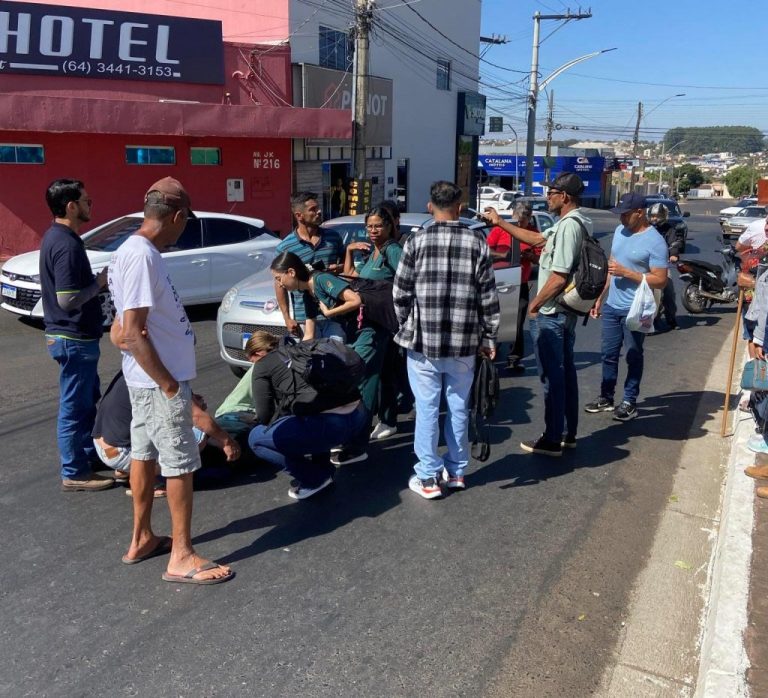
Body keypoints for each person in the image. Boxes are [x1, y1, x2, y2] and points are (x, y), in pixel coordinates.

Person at [109, 176, 233, 584]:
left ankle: (142, 537)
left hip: (141, 380)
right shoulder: (142, 256)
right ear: (177, 216)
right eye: (185, 222)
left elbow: (118, 329)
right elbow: (129, 332)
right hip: (158, 383)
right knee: (179, 463)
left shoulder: (127, 251)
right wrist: (170, 384)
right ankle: (181, 555)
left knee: (144, 456)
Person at [393, 180, 499, 499]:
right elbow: (488, 297)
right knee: (458, 407)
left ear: (430, 207)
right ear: (459, 206)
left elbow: (400, 293)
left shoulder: (416, 242)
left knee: (426, 408)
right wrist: (489, 337)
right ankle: (455, 471)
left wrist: (408, 325)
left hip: (423, 342)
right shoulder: (477, 242)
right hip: (464, 344)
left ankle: (427, 477)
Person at [483, 172, 593, 456]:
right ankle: (566, 433)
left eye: (552, 192)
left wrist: (534, 305)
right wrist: (501, 223)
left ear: (564, 197)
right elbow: (536, 239)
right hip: (560, 312)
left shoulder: (569, 226)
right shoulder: (570, 222)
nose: (548, 197)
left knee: (553, 379)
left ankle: (553, 438)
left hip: (552, 313)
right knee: (564, 375)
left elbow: (558, 276)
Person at [40, 178, 113, 492]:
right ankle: (74, 472)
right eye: (86, 201)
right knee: (74, 408)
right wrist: (100, 283)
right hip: (73, 339)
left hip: (73, 338)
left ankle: (86, 460)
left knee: (84, 403)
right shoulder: (66, 244)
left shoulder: (58, 237)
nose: (89, 205)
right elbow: (67, 299)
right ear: (71, 206)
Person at [246, 332, 368, 500]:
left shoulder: (263, 365)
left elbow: (264, 414)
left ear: (257, 354)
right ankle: (324, 470)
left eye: (250, 360)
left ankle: (314, 479)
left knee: (256, 439)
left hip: (330, 428)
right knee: (313, 411)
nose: (251, 364)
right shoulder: (303, 349)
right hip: (358, 418)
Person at [586, 193, 669, 422]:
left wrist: (629, 274)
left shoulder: (655, 241)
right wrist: (600, 299)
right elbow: (612, 269)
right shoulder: (619, 232)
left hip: (636, 309)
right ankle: (606, 397)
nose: (621, 219)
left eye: (625, 214)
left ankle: (630, 401)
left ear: (640, 213)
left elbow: (661, 279)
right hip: (613, 305)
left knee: (633, 355)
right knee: (608, 354)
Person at [92, 370, 242, 496]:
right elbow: (197, 417)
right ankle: (146, 482)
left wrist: (191, 401)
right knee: (196, 436)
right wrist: (227, 441)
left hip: (102, 443)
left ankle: (124, 471)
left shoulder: (135, 367)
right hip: (122, 452)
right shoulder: (165, 373)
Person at [335, 206, 403, 460]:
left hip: (378, 327)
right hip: (370, 325)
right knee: (385, 376)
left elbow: (409, 280)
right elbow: (355, 276)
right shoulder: (373, 251)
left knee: (365, 380)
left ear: (389, 227)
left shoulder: (393, 250)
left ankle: (357, 443)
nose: (373, 231)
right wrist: (350, 250)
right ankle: (388, 420)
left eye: (378, 226)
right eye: (369, 227)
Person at [274, 191, 346, 338]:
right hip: (304, 318)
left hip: (335, 314)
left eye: (318, 208)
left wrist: (340, 268)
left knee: (337, 358)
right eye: (313, 209)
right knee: (311, 359)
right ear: (299, 216)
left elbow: (348, 267)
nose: (319, 212)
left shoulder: (333, 237)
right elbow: (279, 284)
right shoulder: (285, 247)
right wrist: (287, 318)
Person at [487, 201, 542, 371]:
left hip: (520, 283)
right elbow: (485, 250)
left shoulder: (534, 234)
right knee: (493, 320)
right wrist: (502, 255)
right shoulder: (499, 229)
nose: (519, 225)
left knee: (516, 323)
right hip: (498, 280)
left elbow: (541, 258)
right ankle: (490, 352)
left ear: (529, 218)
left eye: (523, 222)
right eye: (517, 221)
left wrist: (530, 256)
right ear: (512, 216)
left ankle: (514, 358)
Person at [648, 202, 684, 332]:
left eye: (657, 216)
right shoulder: (645, 229)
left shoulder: (670, 230)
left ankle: (671, 318)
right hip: (644, 266)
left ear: (664, 216)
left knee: (669, 292)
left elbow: (675, 243)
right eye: (652, 216)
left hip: (661, 266)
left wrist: (673, 254)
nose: (654, 219)